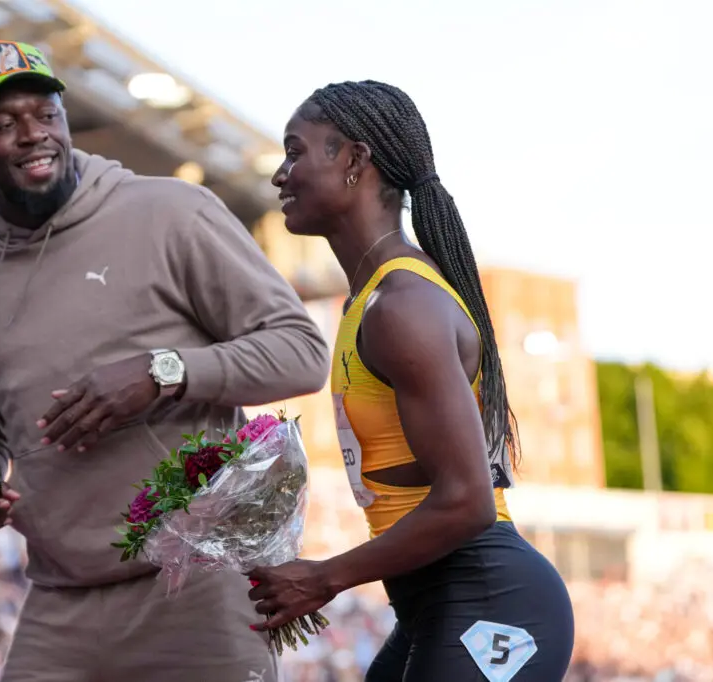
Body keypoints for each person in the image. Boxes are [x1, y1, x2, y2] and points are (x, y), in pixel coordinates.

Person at [0, 41, 330, 682]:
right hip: (61, 601)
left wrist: (162, 373)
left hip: (198, 586)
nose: (33, 135)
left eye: (46, 114)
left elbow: (301, 352)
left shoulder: (171, 211)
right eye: (3, 124)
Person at [246, 81, 575, 681]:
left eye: (295, 152)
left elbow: (469, 501)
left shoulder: (402, 305)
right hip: (432, 604)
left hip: (490, 599)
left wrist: (325, 577)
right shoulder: (369, 301)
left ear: (354, 159)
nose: (279, 175)